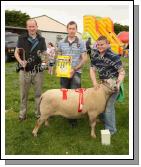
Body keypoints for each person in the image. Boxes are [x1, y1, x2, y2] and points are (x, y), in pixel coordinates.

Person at [90, 35, 125, 135]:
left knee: (109, 107)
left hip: (113, 84)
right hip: (102, 85)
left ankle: (111, 130)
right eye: (98, 45)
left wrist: (118, 84)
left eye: (102, 44)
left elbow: (122, 72)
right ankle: (104, 119)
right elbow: (92, 70)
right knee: (101, 104)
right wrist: (94, 82)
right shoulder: (95, 55)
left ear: (107, 44)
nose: (100, 46)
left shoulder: (114, 56)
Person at [14, 19, 47, 121]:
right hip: (24, 71)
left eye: (33, 26)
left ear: (36, 27)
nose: (32, 28)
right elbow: (16, 53)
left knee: (38, 94)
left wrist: (45, 61)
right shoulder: (21, 38)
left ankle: (38, 113)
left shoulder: (42, 39)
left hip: (38, 72)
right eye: (29, 26)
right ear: (27, 27)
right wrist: (20, 61)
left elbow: (44, 54)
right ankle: (22, 114)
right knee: (24, 94)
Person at [57, 21, 87, 127]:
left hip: (76, 72)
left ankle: (74, 118)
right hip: (64, 73)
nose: (71, 31)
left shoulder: (82, 42)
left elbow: (84, 58)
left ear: (76, 30)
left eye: (73, 28)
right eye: (70, 28)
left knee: (75, 96)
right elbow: (59, 56)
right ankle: (64, 113)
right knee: (64, 94)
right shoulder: (61, 42)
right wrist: (60, 68)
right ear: (67, 29)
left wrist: (74, 69)